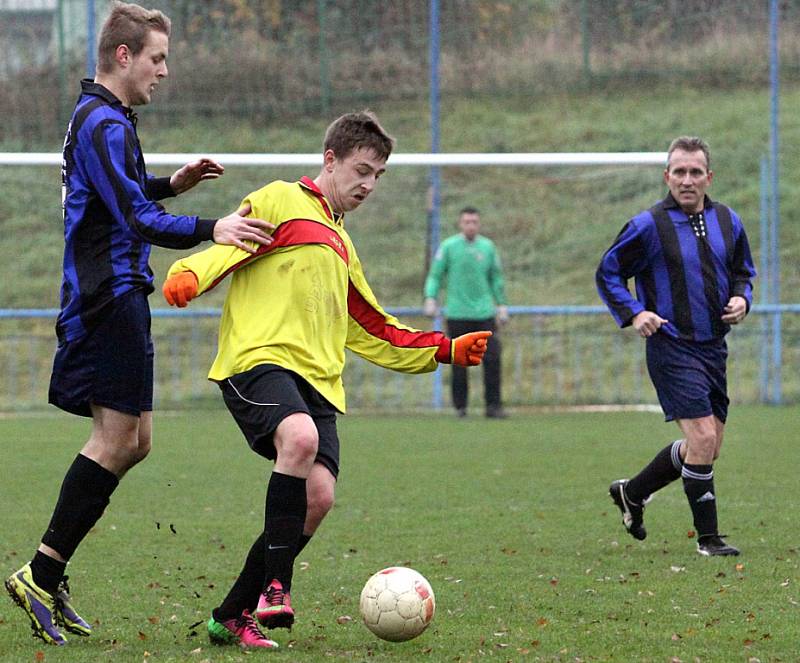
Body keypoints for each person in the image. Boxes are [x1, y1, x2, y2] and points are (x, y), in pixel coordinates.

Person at [161, 110, 492, 650]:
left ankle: (231, 614)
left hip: (317, 382)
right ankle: (276, 586)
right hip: (259, 360)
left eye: (378, 176)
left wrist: (445, 349)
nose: (368, 184)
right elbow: (230, 242)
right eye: (361, 170)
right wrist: (187, 276)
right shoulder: (279, 199)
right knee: (300, 439)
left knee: (318, 496)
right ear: (330, 160)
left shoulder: (341, 245)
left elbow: (373, 327)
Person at [4, 2, 274, 647]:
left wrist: (171, 186)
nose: (164, 71)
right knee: (119, 438)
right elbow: (133, 220)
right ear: (123, 56)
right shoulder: (104, 121)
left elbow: (121, 196)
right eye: (157, 58)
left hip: (113, 294)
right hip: (107, 297)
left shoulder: (104, 117)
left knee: (131, 439)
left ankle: (47, 571)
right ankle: (39, 573)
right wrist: (217, 228)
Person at [596, 136, 756, 557]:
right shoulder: (648, 226)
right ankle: (709, 541)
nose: (687, 180)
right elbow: (608, 272)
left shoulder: (728, 220)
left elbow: (743, 272)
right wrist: (634, 313)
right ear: (667, 176)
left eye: (695, 172)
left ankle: (633, 492)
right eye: (679, 172)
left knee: (707, 447)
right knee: (702, 439)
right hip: (671, 345)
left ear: (708, 177)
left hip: (713, 348)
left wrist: (742, 298)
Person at [423, 207, 509, 418]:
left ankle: (493, 406)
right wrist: (430, 297)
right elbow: (435, 275)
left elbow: (496, 278)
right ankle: (460, 407)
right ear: (460, 224)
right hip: (458, 313)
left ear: (478, 225)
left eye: (474, 222)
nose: (470, 226)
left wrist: (501, 305)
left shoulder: (488, 247)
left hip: (484, 314)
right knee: (459, 362)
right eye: (467, 222)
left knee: (492, 359)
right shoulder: (449, 247)